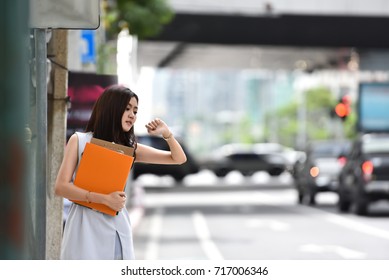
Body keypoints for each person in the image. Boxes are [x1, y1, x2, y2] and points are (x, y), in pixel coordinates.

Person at [54, 85, 187, 260]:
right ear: (112, 109)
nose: (132, 115)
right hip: (83, 226)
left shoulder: (130, 148)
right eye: (127, 109)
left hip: (115, 226)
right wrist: (103, 199)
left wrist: (167, 134)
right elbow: (61, 188)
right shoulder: (79, 140)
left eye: (135, 110)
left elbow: (178, 158)